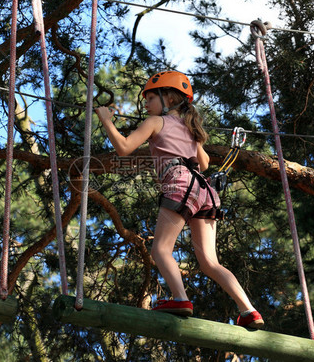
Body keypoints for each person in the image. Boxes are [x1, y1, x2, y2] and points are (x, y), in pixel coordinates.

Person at [94, 70, 264, 329]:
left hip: (179, 183)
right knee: (210, 262)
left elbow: (125, 148)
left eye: (150, 99)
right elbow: (204, 163)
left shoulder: (155, 122)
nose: (146, 105)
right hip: (203, 190)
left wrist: (106, 120)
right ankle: (248, 310)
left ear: (169, 98)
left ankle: (180, 299)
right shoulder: (190, 128)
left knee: (160, 250)